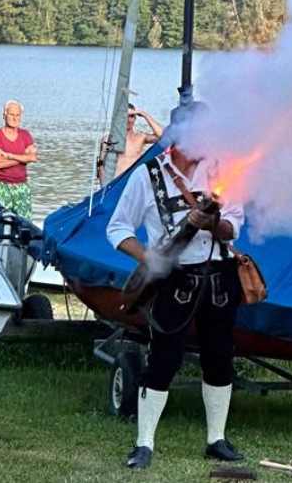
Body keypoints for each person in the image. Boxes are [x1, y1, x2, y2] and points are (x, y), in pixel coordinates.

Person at [105, 103, 244, 471]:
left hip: (219, 277)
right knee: (163, 359)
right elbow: (117, 229)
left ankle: (216, 439)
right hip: (175, 279)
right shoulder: (146, 176)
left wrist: (211, 223)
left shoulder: (221, 172)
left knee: (219, 357)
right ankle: (144, 443)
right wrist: (148, 258)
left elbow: (233, 228)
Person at [0, 99, 38, 220]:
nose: (15, 118)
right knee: (0, 221)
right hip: (0, 185)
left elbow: (33, 157)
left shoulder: (25, 135)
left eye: (17, 115)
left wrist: (10, 155)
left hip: (21, 186)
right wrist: (23, 158)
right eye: (11, 114)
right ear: (4, 115)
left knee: (25, 222)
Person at [97, 103, 164, 184]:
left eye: (131, 116)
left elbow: (163, 136)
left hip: (134, 184)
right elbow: (100, 165)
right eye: (125, 116)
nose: (128, 120)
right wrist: (105, 187)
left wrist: (144, 114)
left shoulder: (141, 137)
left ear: (135, 118)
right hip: (115, 184)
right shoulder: (109, 139)